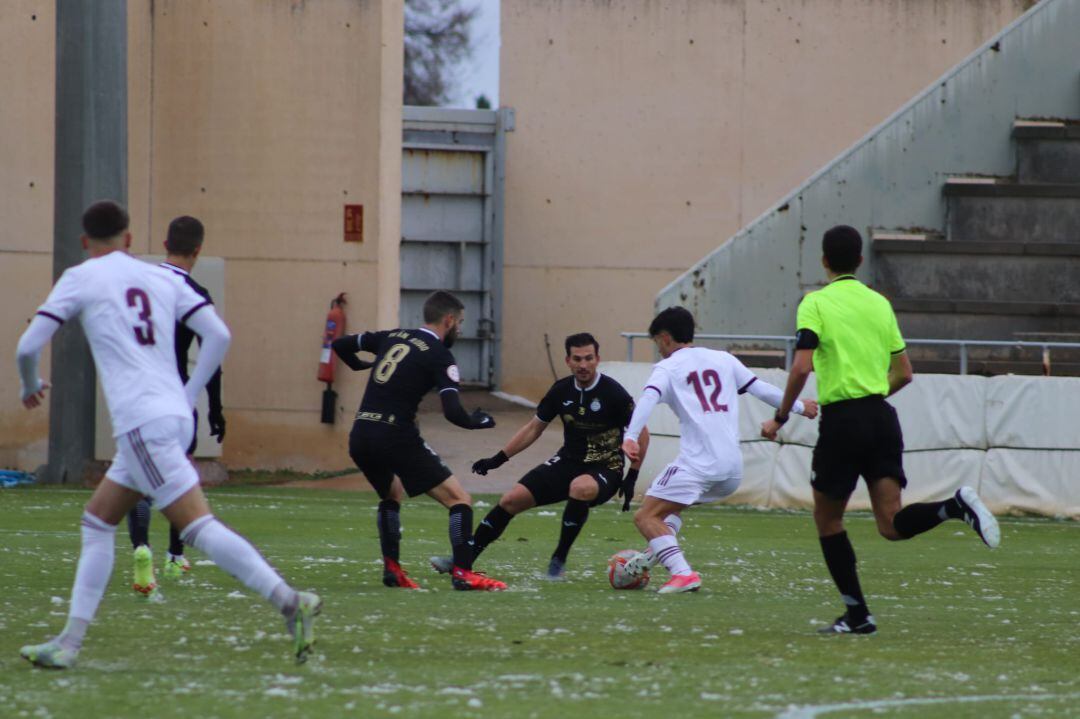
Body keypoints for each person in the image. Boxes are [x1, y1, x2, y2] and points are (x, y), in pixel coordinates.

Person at [16, 201, 319, 668]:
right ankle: (69, 644)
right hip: (170, 417)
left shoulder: (81, 277)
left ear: (84, 242)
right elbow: (218, 335)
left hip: (142, 421)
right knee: (97, 521)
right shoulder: (161, 278)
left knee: (196, 526)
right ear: (131, 239)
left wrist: (30, 384)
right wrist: (189, 392)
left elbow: (27, 345)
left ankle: (288, 600)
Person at [760, 224, 1000, 635]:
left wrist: (782, 415)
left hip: (842, 421)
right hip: (881, 418)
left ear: (823, 261)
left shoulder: (814, 302)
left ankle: (857, 615)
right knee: (890, 524)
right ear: (859, 260)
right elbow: (904, 373)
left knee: (828, 520)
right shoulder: (879, 304)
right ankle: (953, 506)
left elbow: (801, 366)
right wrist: (870, 395)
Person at [622, 306, 818, 593]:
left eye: (656, 343)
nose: (658, 350)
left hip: (699, 463)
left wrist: (629, 436)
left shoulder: (668, 368)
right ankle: (658, 550)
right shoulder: (723, 360)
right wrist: (800, 406)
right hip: (731, 470)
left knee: (645, 516)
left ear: (664, 338)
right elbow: (761, 388)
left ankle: (683, 573)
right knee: (670, 509)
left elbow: (647, 399)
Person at [430, 333, 647, 580]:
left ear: (598, 359)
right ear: (568, 360)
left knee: (579, 487)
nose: (583, 365)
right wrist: (498, 459)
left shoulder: (613, 393)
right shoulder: (561, 390)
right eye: (577, 359)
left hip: (606, 467)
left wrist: (632, 475)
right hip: (568, 462)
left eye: (589, 358)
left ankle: (558, 561)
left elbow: (643, 433)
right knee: (511, 499)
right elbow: (534, 428)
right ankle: (463, 561)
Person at [332, 290, 506, 591]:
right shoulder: (440, 355)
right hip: (395, 434)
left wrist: (358, 364)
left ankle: (393, 570)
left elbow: (341, 344)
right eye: (460, 323)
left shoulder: (393, 336)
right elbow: (453, 412)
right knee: (459, 500)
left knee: (391, 494)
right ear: (449, 320)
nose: (460, 330)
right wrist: (479, 422)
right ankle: (464, 573)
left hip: (361, 433)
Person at [127, 216, 226, 597]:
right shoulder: (194, 291)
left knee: (137, 482)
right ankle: (174, 555)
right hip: (176, 394)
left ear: (165, 242)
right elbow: (211, 353)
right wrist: (215, 407)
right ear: (197, 250)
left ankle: (141, 549)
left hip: (138, 394)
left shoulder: (140, 285)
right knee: (179, 476)